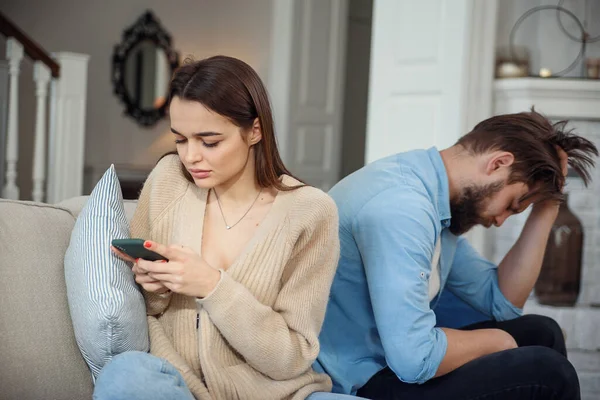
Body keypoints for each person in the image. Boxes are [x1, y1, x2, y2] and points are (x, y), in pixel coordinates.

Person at [93, 55, 359, 400]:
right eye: (180, 139)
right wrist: (156, 288)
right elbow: (146, 312)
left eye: (210, 141)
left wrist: (212, 285)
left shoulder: (310, 212)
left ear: (255, 130)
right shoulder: (168, 181)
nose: (190, 157)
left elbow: (292, 357)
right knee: (125, 376)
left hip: (278, 393)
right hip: (179, 386)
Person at [314, 109, 598, 400]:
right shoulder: (403, 208)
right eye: (511, 205)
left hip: (384, 362)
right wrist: (498, 340)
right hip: (354, 378)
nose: (501, 220)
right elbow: (415, 359)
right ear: (498, 163)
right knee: (549, 374)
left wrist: (548, 206)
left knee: (542, 331)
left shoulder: (436, 200)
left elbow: (502, 300)